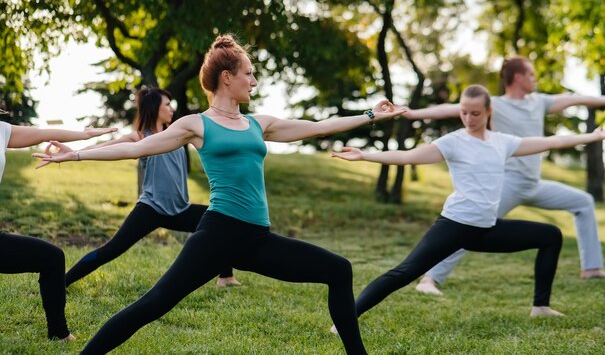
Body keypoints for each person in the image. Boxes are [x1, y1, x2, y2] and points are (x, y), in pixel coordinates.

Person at [34, 34, 406, 354]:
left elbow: (319, 127)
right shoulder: (196, 124)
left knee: (338, 270)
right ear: (227, 78)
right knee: (153, 304)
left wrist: (370, 115)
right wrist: (77, 154)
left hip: (256, 238)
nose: (254, 82)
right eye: (249, 74)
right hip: (218, 234)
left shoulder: (259, 124)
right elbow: (137, 148)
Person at [331, 84, 605, 323]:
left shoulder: (502, 142)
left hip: (485, 228)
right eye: (464, 113)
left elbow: (550, 142)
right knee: (405, 272)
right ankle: (345, 318)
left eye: (475, 113)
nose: (468, 119)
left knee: (550, 236)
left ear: (488, 112)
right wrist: (365, 155)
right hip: (455, 226)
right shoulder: (454, 142)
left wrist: (592, 137)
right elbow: (408, 156)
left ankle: (540, 306)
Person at [405, 57, 605, 296]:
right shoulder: (496, 104)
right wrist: (413, 113)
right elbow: (450, 109)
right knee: (470, 226)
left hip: (533, 184)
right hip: (506, 184)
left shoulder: (540, 102)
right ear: (518, 78)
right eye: (530, 74)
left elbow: (576, 98)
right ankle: (430, 279)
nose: (535, 78)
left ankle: (591, 267)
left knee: (583, 202)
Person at [63, 87, 240, 289]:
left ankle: (226, 277)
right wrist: (75, 152)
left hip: (181, 208)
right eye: (167, 104)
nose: (171, 109)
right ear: (155, 108)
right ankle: (61, 283)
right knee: (111, 250)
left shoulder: (177, 135)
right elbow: (107, 146)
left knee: (222, 224)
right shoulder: (140, 137)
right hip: (150, 208)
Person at [0, 110, 116, 341]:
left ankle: (59, 334)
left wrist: (85, 134)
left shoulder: (2, 130)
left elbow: (45, 133)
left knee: (52, 258)